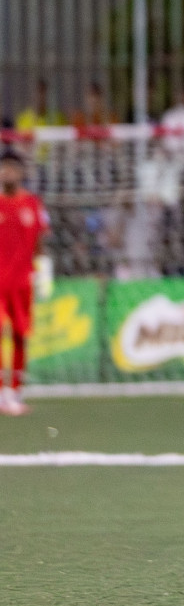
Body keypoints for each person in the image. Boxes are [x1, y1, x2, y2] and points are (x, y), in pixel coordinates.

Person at [0, 150, 49, 415]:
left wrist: (45, 274)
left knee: (20, 335)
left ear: (21, 172)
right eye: (4, 168)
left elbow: (40, 243)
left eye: (12, 168)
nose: (8, 173)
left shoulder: (33, 204)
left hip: (22, 283)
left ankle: (15, 391)